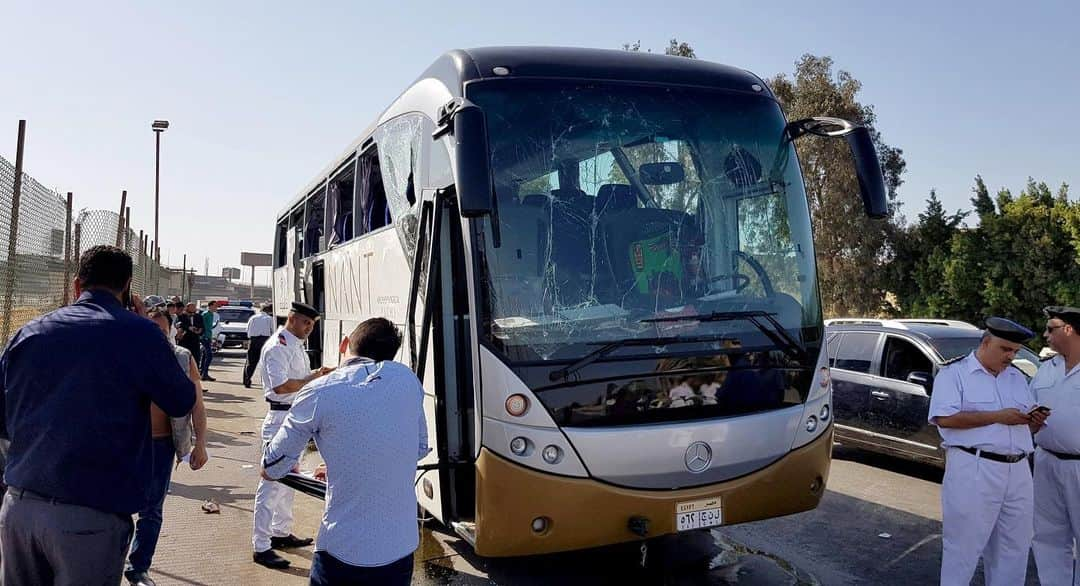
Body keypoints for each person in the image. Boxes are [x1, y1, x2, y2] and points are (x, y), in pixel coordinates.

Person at [0, 245, 196, 584]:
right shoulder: (139, 334)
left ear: (77, 285)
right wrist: (150, 335)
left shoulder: (30, 332)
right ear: (128, 287)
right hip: (91, 515)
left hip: (20, 509)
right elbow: (181, 400)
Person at [262, 317, 428, 585]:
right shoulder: (408, 380)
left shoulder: (317, 391)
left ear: (344, 344)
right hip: (401, 546)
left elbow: (272, 468)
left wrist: (342, 463)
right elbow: (418, 448)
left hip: (344, 550)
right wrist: (349, 459)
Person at [928, 317, 1048, 586]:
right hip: (975, 467)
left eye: (1015, 352)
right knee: (964, 548)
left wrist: (1033, 424)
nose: (1010, 356)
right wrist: (997, 416)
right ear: (985, 342)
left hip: (1017, 470)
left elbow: (1022, 428)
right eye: (1005, 349)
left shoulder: (1017, 378)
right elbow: (944, 419)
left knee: (1014, 549)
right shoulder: (954, 373)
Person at [125, 308, 210, 586]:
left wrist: (201, 445)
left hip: (161, 445)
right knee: (118, 505)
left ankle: (138, 568)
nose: (155, 334)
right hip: (128, 443)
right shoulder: (128, 355)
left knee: (151, 510)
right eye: (150, 327)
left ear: (172, 331)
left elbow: (197, 406)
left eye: (161, 329)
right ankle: (111, 561)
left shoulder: (183, 359)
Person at [252, 301, 332, 569]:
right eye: (306, 323)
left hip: (294, 418)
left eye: (312, 324)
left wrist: (318, 377)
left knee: (290, 481)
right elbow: (281, 386)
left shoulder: (295, 345)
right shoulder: (278, 347)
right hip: (278, 420)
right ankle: (261, 547)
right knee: (271, 483)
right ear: (292, 319)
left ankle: (281, 533)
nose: (309, 328)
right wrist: (314, 377)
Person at [1031, 306, 1080, 586]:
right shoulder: (1046, 369)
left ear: (1069, 329)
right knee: (1048, 536)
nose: (1045, 334)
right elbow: (1028, 406)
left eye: (1051, 328)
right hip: (1046, 460)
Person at [244, 304, 275, 388]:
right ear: (269, 311)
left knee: (250, 362)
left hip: (253, 340)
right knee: (264, 362)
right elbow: (273, 331)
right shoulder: (269, 319)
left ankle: (247, 379)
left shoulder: (253, 318)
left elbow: (248, 330)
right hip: (264, 340)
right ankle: (264, 382)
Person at [176, 302, 203, 366]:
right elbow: (179, 324)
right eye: (191, 307)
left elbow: (202, 327)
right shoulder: (181, 316)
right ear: (187, 308)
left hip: (195, 340)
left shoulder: (199, 316)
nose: (193, 308)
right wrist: (189, 328)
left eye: (194, 307)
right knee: (183, 357)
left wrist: (199, 331)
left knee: (196, 358)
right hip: (184, 340)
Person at [200, 300, 220, 381]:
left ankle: (203, 373)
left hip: (208, 336)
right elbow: (202, 325)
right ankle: (204, 373)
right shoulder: (205, 314)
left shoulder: (212, 315)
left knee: (205, 355)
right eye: (215, 306)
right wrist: (203, 335)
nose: (216, 307)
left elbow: (209, 327)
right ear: (210, 306)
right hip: (204, 337)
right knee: (209, 355)